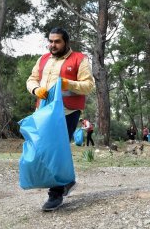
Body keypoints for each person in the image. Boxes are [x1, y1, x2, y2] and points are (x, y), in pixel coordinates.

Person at [26, 27, 95, 211]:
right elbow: (31, 79)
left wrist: (67, 83)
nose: (53, 45)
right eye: (50, 41)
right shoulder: (42, 60)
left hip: (67, 111)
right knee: (44, 149)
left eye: (57, 41)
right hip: (43, 112)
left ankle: (55, 194)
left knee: (55, 150)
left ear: (66, 42)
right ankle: (68, 181)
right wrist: (35, 89)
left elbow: (89, 86)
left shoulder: (80, 59)